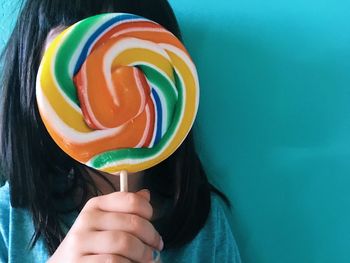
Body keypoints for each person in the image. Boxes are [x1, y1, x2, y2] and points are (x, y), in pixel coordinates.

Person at [0, 0, 242, 262]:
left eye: (130, 62)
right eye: (81, 66)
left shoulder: (204, 223)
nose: (106, 88)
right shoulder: (7, 222)